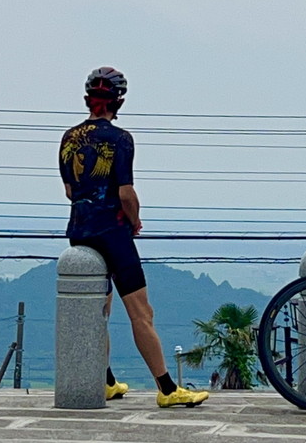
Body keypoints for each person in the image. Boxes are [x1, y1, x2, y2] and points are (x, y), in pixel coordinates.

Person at [59, 66, 209, 408]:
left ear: (88, 100)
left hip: (79, 229)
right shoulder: (121, 139)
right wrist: (135, 220)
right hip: (113, 232)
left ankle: (105, 380)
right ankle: (168, 389)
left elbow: (70, 190)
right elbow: (126, 193)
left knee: (97, 309)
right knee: (141, 313)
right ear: (119, 102)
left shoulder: (68, 138)